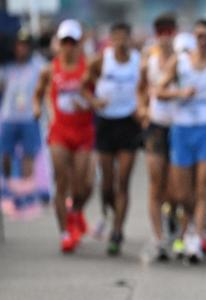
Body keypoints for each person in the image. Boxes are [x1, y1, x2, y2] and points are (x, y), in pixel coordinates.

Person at [157, 19, 206, 264]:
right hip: (182, 130)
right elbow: (159, 91)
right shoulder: (180, 61)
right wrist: (179, 93)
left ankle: (195, 236)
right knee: (182, 192)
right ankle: (181, 224)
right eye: (199, 36)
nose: (204, 41)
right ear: (194, 37)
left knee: (202, 188)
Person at [33, 19, 95, 253]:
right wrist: (37, 108)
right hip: (59, 131)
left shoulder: (89, 68)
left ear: (79, 43)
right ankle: (64, 233)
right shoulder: (49, 69)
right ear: (58, 43)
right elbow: (37, 94)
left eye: (73, 42)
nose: (68, 46)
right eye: (64, 41)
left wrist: (92, 103)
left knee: (83, 186)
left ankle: (76, 211)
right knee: (61, 183)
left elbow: (98, 93)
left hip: (83, 132)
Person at [81, 22, 142, 256]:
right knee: (107, 184)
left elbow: (147, 87)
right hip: (105, 122)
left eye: (123, 37)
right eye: (115, 38)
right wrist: (94, 102)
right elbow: (83, 85)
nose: (120, 42)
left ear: (129, 38)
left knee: (123, 181)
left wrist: (142, 106)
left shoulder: (138, 61)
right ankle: (109, 212)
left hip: (128, 122)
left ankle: (117, 231)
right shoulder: (101, 59)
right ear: (110, 39)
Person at [136, 13, 177, 261]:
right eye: (160, 31)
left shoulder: (183, 57)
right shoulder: (147, 61)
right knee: (155, 183)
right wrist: (141, 109)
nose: (164, 36)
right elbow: (141, 90)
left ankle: (172, 216)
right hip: (156, 126)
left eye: (168, 31)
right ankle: (159, 237)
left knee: (175, 187)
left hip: (180, 127)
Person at [1, 30, 45, 198]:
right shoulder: (6, 65)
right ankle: (7, 186)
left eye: (25, 46)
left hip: (29, 117)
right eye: (19, 46)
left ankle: (27, 192)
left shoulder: (38, 64)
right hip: (9, 117)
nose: (22, 49)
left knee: (28, 155)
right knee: (5, 155)